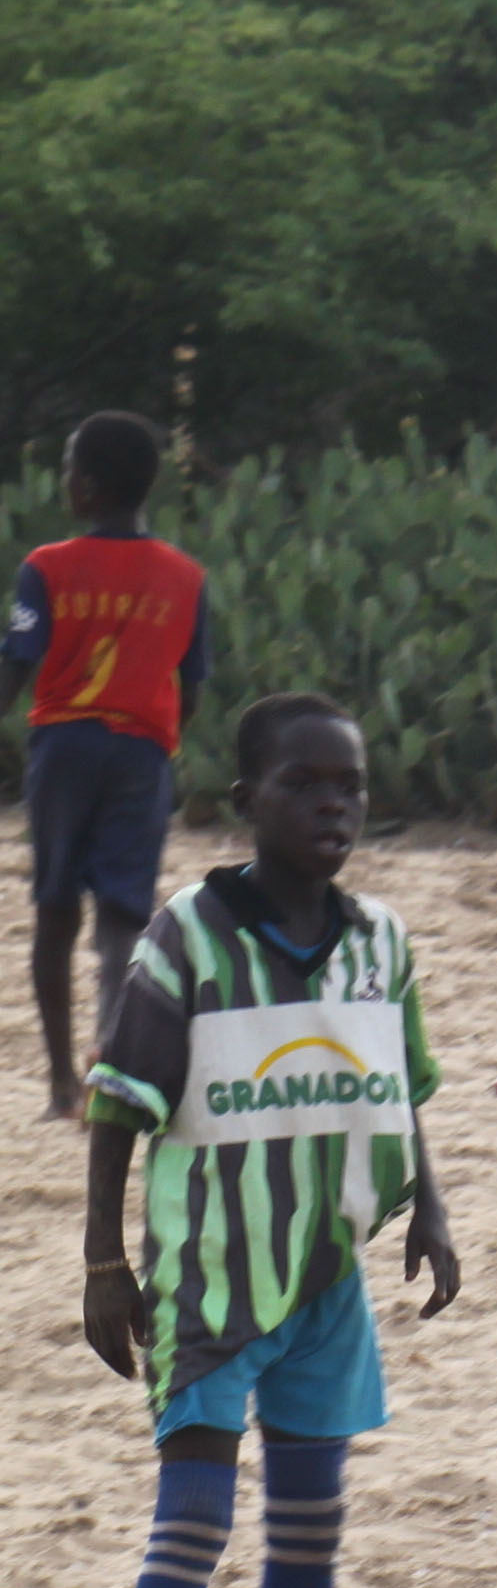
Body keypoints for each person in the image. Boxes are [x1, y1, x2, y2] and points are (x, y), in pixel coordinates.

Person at [79, 694, 462, 1588]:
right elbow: (119, 1103)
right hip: (207, 1284)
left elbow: (398, 1086)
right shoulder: (187, 938)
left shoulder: (380, 941)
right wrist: (103, 1261)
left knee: (309, 1529)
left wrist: (429, 1206)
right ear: (247, 802)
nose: (333, 805)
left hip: (325, 1282)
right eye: (305, 784)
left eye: (350, 786)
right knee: (193, 1522)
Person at [11, 412, 215, 1120]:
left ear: (88, 488)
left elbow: (15, 666)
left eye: (70, 467)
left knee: (55, 910)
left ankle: (61, 1086)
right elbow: (192, 687)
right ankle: (111, 1067)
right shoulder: (186, 578)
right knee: (125, 914)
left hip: (63, 750)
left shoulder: (45, 568)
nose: (65, 480)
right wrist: (156, 736)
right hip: (141, 753)